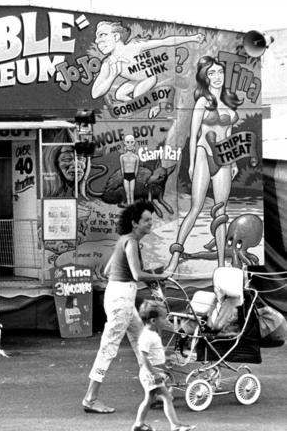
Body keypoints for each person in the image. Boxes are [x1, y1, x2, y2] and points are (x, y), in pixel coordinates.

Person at [82, 200, 168, 413]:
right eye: (146, 220)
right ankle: (90, 398)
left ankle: (155, 392)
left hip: (121, 298)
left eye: (151, 219)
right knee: (109, 347)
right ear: (134, 223)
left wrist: (135, 275)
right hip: (121, 300)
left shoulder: (124, 241)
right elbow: (138, 274)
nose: (150, 223)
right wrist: (159, 276)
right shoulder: (131, 242)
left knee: (145, 344)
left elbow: (108, 270)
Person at [166, 56, 243, 274]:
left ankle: (221, 266)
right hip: (203, 152)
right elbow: (193, 134)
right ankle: (174, 260)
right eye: (212, 73)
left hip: (224, 157)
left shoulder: (228, 104)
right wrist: (191, 164)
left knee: (221, 211)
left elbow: (229, 134)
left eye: (219, 72)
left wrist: (234, 161)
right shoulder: (202, 102)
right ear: (205, 77)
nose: (217, 77)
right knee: (196, 207)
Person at [91, 21, 204, 102]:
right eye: (97, 37)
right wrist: (111, 77)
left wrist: (192, 38)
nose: (97, 41)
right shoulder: (108, 64)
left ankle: (154, 104)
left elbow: (164, 41)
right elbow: (95, 93)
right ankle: (147, 105)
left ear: (115, 36)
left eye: (102, 35)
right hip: (135, 81)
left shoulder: (134, 47)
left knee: (137, 94)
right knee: (119, 95)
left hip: (149, 77)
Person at [132, 300, 195, 431]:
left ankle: (139, 424)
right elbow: (143, 356)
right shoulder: (147, 336)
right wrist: (154, 374)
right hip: (150, 373)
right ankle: (175, 425)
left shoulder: (152, 334)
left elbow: (153, 355)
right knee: (167, 397)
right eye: (163, 317)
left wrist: (164, 360)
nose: (166, 320)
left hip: (152, 372)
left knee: (149, 400)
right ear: (154, 321)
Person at [120, 134, 139, 205]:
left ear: (134, 142)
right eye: (128, 142)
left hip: (132, 175)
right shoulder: (122, 157)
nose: (130, 144)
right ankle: (129, 204)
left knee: (132, 191)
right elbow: (122, 167)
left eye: (131, 142)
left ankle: (132, 204)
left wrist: (134, 175)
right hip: (125, 175)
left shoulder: (136, 157)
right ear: (124, 143)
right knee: (127, 192)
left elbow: (136, 167)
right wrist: (123, 175)